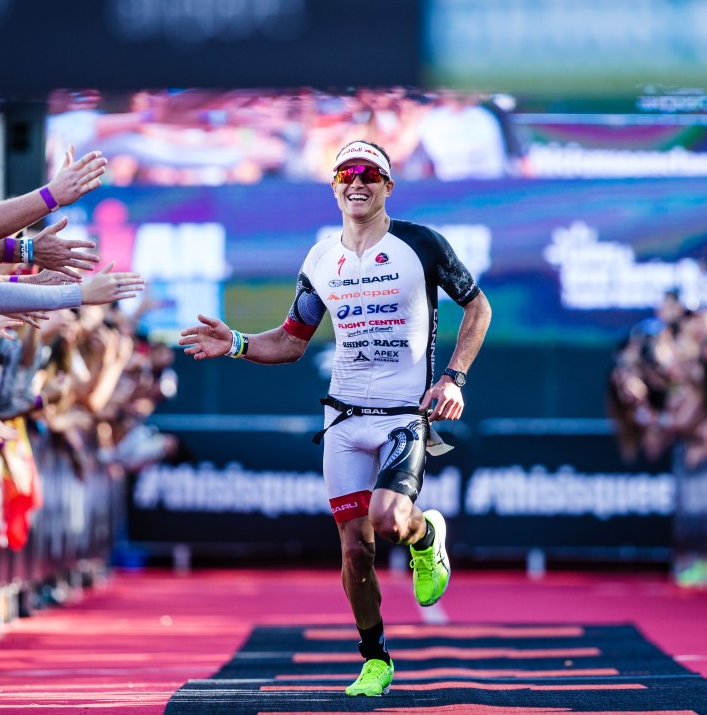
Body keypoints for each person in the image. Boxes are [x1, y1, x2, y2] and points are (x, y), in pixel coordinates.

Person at [178, 140, 492, 697]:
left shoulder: (420, 244)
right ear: (333, 186)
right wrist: (237, 344)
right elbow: (290, 342)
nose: (357, 183)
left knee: (390, 517)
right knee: (354, 547)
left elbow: (478, 306)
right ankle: (375, 658)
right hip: (343, 418)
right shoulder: (321, 258)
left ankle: (425, 535)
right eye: (346, 173)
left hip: (402, 416)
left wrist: (454, 378)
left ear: (388, 186)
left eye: (370, 174)